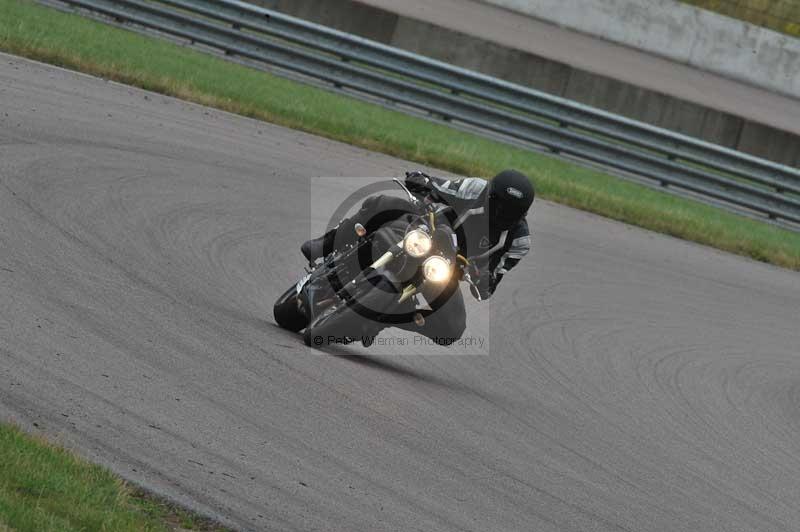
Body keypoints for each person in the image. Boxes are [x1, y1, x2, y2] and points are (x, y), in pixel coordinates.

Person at [301, 169, 534, 344]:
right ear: (489, 195)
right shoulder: (474, 189)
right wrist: (422, 180)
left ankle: (384, 318)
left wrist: (478, 276)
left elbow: (489, 285)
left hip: (446, 270)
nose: (502, 214)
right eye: (499, 206)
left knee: (452, 330)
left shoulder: (519, 242)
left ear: (522, 214)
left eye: (511, 212)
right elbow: (441, 187)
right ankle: (326, 243)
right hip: (426, 232)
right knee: (384, 203)